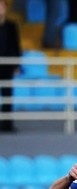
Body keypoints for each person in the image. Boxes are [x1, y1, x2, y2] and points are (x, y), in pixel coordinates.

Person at [0, 0, 21, 133]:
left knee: (7, 94)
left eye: (1, 6)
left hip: (7, 66)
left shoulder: (11, 25)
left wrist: (16, 63)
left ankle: (7, 124)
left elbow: (16, 46)